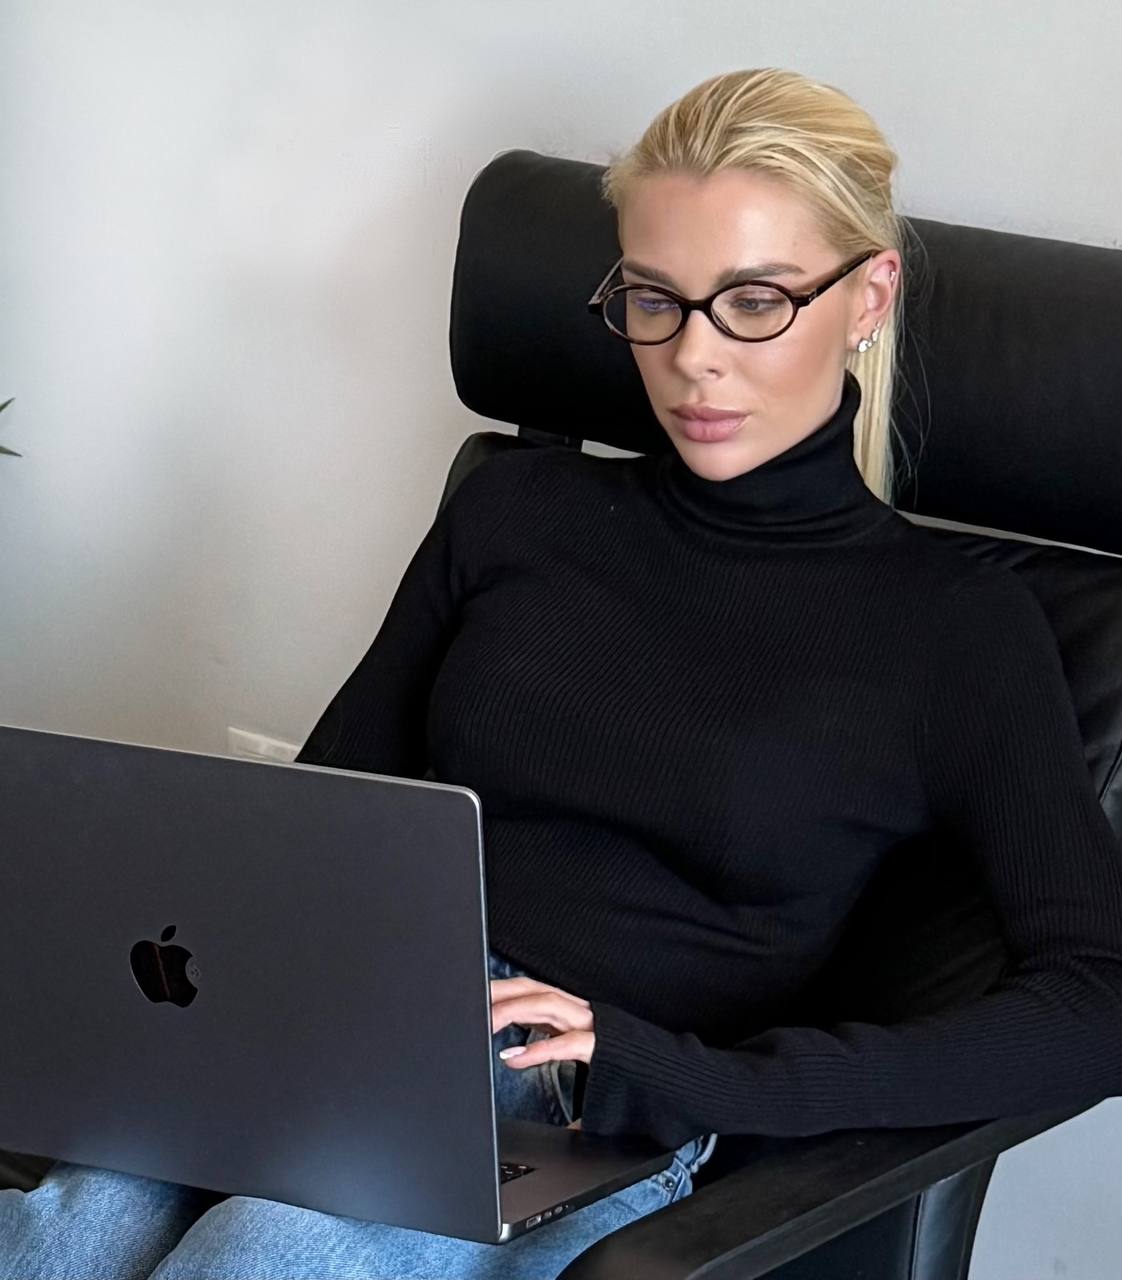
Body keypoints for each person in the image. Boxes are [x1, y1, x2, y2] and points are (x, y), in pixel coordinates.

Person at [4, 66, 1122, 1280]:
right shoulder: (519, 512)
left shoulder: (956, 628)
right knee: (68, 1227)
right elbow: (323, 814)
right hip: (361, 1019)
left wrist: (701, 1078)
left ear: (868, 296)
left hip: (598, 1108)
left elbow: (1096, 995)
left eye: (754, 301)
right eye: (653, 299)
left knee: (264, 1252)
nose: (693, 357)